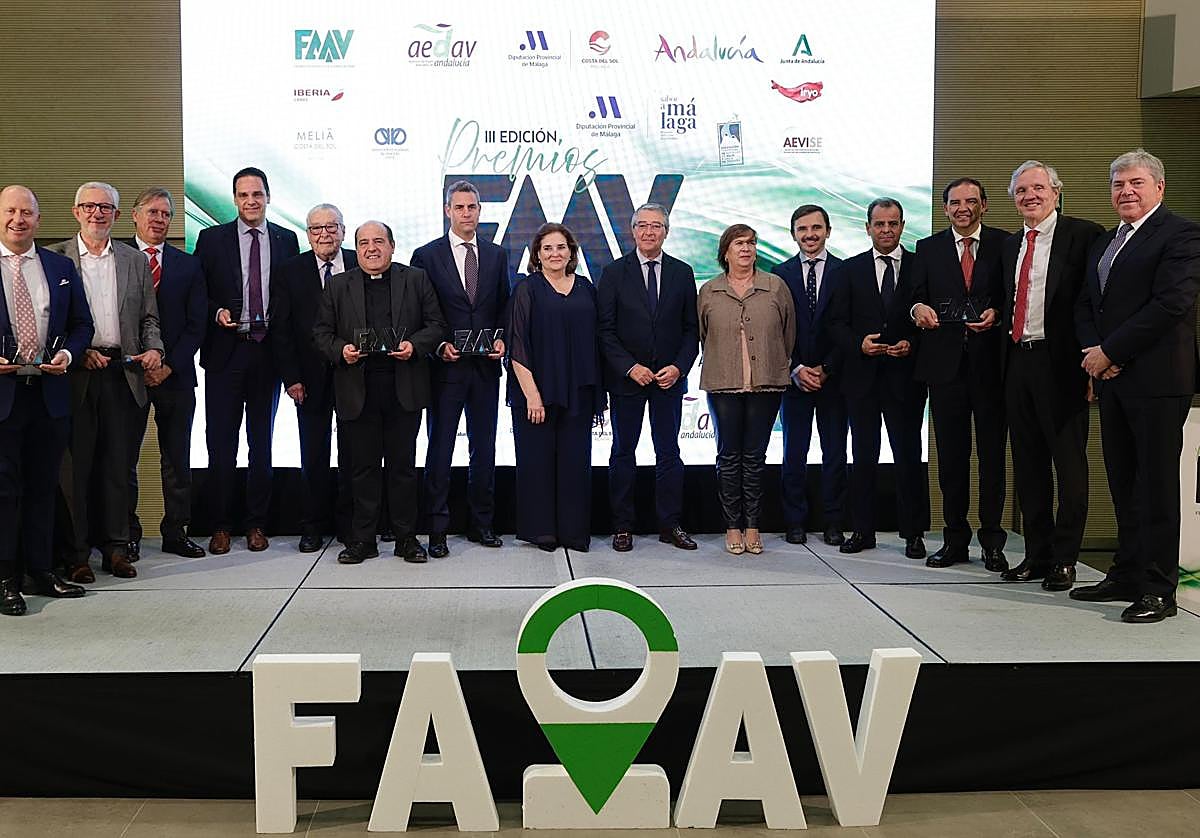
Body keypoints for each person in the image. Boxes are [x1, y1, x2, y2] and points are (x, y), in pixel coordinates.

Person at [1073, 149, 1200, 622]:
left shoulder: (1181, 235)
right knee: (1123, 482)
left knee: (1158, 486)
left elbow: (1171, 305)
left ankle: (1158, 588)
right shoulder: (1106, 242)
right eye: (1118, 184)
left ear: (1159, 188)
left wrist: (1112, 352)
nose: (1125, 191)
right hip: (1112, 379)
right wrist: (1094, 354)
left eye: (1136, 183)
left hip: (1158, 380)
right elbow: (1087, 305)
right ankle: (1125, 573)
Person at [313, 221, 447, 564]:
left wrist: (413, 346)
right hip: (358, 391)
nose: (371, 249)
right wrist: (341, 350)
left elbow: (436, 326)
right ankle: (363, 541)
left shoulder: (415, 279)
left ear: (392, 245)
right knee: (362, 470)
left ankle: (406, 539)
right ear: (355, 249)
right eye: (363, 243)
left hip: (403, 388)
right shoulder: (338, 285)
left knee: (403, 468)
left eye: (378, 242)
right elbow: (321, 334)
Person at [50, 182, 164, 582]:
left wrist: (156, 350)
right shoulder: (56, 260)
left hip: (124, 373)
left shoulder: (134, 261)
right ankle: (77, 554)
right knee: (76, 470)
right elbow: (49, 324)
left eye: (105, 208)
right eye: (89, 207)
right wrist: (76, 351)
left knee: (119, 468)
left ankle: (116, 549)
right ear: (76, 211)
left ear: (117, 215)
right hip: (76, 376)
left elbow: (150, 319)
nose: (97, 214)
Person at [998, 161, 1102, 591]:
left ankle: (1066, 559)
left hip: (1064, 366)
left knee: (1069, 467)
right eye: (1021, 190)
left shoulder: (1085, 236)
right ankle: (1037, 556)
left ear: (1056, 192)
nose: (1030, 196)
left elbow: (1096, 303)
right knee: (1028, 467)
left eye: (1038, 188)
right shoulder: (1010, 246)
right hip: (1017, 362)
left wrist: (1094, 364)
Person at [194, 166, 299, 555]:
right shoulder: (210, 239)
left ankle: (256, 524)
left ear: (268, 197)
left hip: (268, 352)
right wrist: (215, 312)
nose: (250, 201)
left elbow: (291, 298)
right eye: (243, 195)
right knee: (221, 444)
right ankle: (221, 525)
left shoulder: (286, 240)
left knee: (262, 444)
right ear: (234, 199)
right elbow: (197, 293)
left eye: (257, 194)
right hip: (225, 352)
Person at [0, 185, 94, 616]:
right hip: (4, 398)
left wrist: (69, 354)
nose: (18, 219)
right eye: (11, 211)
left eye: (27, 213)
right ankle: (6, 578)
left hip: (50, 395)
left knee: (43, 487)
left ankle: (40, 571)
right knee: (5, 491)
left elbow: (81, 324)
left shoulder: (59, 266)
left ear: (39, 219)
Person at [910, 179, 1009, 571]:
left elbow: (1013, 295)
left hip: (992, 368)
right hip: (945, 369)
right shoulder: (928, 247)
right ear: (945, 208)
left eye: (971, 201)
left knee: (991, 459)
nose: (963, 208)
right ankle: (954, 540)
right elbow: (915, 297)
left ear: (984, 205)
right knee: (950, 460)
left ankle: (992, 541)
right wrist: (918, 309)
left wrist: (997, 313)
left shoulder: (1007, 243)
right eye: (955, 202)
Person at [411, 180, 510, 557]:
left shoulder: (497, 255)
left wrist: (501, 339)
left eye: (472, 207)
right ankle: (436, 529)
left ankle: (481, 524)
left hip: (485, 369)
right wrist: (437, 346)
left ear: (480, 211)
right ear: (447, 211)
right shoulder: (427, 255)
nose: (466, 213)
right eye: (460, 207)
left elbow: (503, 304)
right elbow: (420, 310)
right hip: (445, 369)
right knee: (440, 448)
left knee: (484, 448)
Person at [826, 198, 928, 557]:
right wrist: (858, 344)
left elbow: (930, 320)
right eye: (880, 224)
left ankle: (913, 534)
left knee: (908, 457)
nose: (887, 230)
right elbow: (835, 323)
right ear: (867, 227)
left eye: (893, 224)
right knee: (863, 456)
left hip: (906, 379)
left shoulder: (920, 265)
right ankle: (863, 531)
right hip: (862, 378)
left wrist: (910, 343)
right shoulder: (848, 269)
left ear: (902, 226)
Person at [598, 203, 698, 552]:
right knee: (623, 452)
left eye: (656, 226)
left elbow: (691, 331)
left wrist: (679, 367)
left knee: (669, 452)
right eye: (643, 225)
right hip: (628, 381)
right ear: (633, 230)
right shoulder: (613, 273)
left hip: (668, 381)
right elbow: (605, 331)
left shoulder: (683, 273)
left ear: (666, 231)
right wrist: (629, 367)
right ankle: (622, 526)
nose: (649, 232)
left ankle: (670, 525)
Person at [697, 224, 795, 555]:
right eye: (739, 243)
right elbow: (702, 334)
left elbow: (788, 334)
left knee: (755, 458)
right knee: (728, 456)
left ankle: (753, 525)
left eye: (751, 243)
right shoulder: (710, 290)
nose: (746, 249)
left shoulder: (775, 287)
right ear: (725, 252)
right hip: (723, 385)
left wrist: (773, 363)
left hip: (766, 384)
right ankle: (732, 526)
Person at [507, 223, 604, 552]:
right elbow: (516, 346)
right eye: (547, 248)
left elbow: (596, 341)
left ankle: (574, 531)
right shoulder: (526, 289)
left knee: (576, 464)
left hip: (578, 392)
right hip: (537, 394)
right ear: (537, 254)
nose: (554, 254)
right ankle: (542, 531)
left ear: (571, 253)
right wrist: (533, 397)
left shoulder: (587, 288)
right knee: (537, 463)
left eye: (561, 247)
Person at [126, 187, 207, 560]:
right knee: (123, 458)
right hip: (126, 377)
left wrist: (169, 364)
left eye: (166, 214)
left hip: (176, 376)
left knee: (177, 457)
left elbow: (196, 324)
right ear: (135, 216)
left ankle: (176, 532)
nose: (159, 220)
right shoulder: (117, 258)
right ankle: (125, 534)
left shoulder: (188, 264)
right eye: (153, 212)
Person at [271, 203, 357, 552]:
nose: (324, 234)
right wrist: (291, 378)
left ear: (343, 230)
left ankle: (353, 526)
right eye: (316, 228)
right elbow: (282, 329)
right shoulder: (290, 270)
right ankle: (313, 527)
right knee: (313, 456)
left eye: (331, 227)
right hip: (308, 379)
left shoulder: (359, 260)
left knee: (355, 455)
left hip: (355, 376)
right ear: (307, 234)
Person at [771, 204, 847, 546]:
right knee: (793, 454)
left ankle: (833, 523)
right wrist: (796, 368)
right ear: (794, 235)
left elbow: (849, 327)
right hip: (794, 379)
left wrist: (827, 368)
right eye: (803, 229)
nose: (810, 234)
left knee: (834, 454)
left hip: (835, 379)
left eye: (816, 228)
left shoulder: (846, 272)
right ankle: (795, 523)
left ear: (827, 231)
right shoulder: (779, 274)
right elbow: (774, 330)